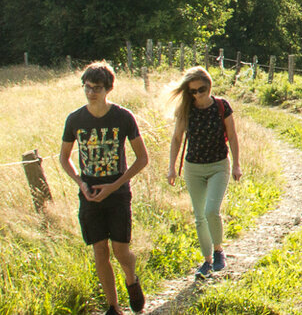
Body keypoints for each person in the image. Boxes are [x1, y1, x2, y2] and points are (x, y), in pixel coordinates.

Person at [59, 61, 150, 315]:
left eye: (96, 88)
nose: (91, 92)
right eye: (86, 87)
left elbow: (142, 158)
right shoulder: (75, 119)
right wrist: (80, 183)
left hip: (118, 194)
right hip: (89, 195)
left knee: (121, 251)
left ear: (108, 88)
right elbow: (64, 158)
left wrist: (114, 185)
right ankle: (113, 306)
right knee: (100, 251)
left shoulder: (123, 117)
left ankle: (131, 278)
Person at [164, 66, 242, 277]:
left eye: (202, 89)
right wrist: (171, 168)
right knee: (199, 216)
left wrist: (236, 164)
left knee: (211, 211)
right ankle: (206, 261)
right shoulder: (186, 110)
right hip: (193, 168)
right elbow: (177, 138)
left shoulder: (221, 106)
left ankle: (218, 251)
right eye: (193, 91)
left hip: (218, 165)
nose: (198, 94)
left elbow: (232, 136)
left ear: (209, 86)